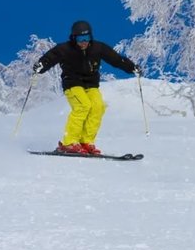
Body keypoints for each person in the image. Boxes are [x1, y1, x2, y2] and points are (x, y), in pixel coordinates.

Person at [33, 20, 139, 155]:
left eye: (86, 38)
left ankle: (86, 141)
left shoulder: (98, 48)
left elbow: (116, 59)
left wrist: (132, 68)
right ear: (74, 38)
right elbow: (50, 58)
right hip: (73, 84)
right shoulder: (65, 49)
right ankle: (69, 142)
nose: (84, 42)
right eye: (80, 39)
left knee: (98, 107)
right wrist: (40, 66)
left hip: (91, 84)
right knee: (83, 106)